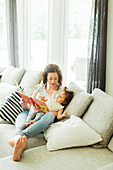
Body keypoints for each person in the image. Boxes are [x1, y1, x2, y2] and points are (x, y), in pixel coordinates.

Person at [8, 64, 73, 161]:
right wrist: (25, 105)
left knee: (50, 115)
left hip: (43, 117)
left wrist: (43, 110)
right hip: (30, 113)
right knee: (21, 121)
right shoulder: (39, 88)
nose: (53, 81)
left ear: (59, 78)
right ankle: (17, 147)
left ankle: (22, 136)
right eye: (50, 78)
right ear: (46, 77)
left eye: (55, 78)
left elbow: (55, 114)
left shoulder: (61, 92)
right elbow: (30, 106)